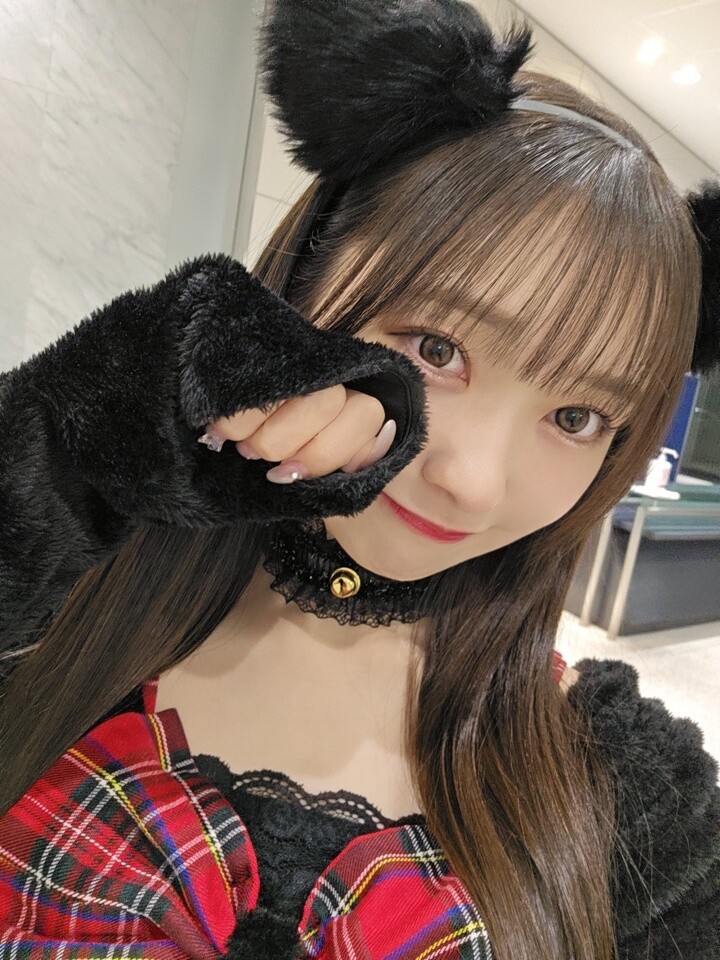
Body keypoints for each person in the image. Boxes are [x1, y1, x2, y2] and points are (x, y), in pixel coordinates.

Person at [0, 0, 718, 958]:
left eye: (577, 417)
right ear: (308, 276)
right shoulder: (69, 570)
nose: (473, 481)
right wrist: (68, 454)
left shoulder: (634, 793)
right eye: (437, 347)